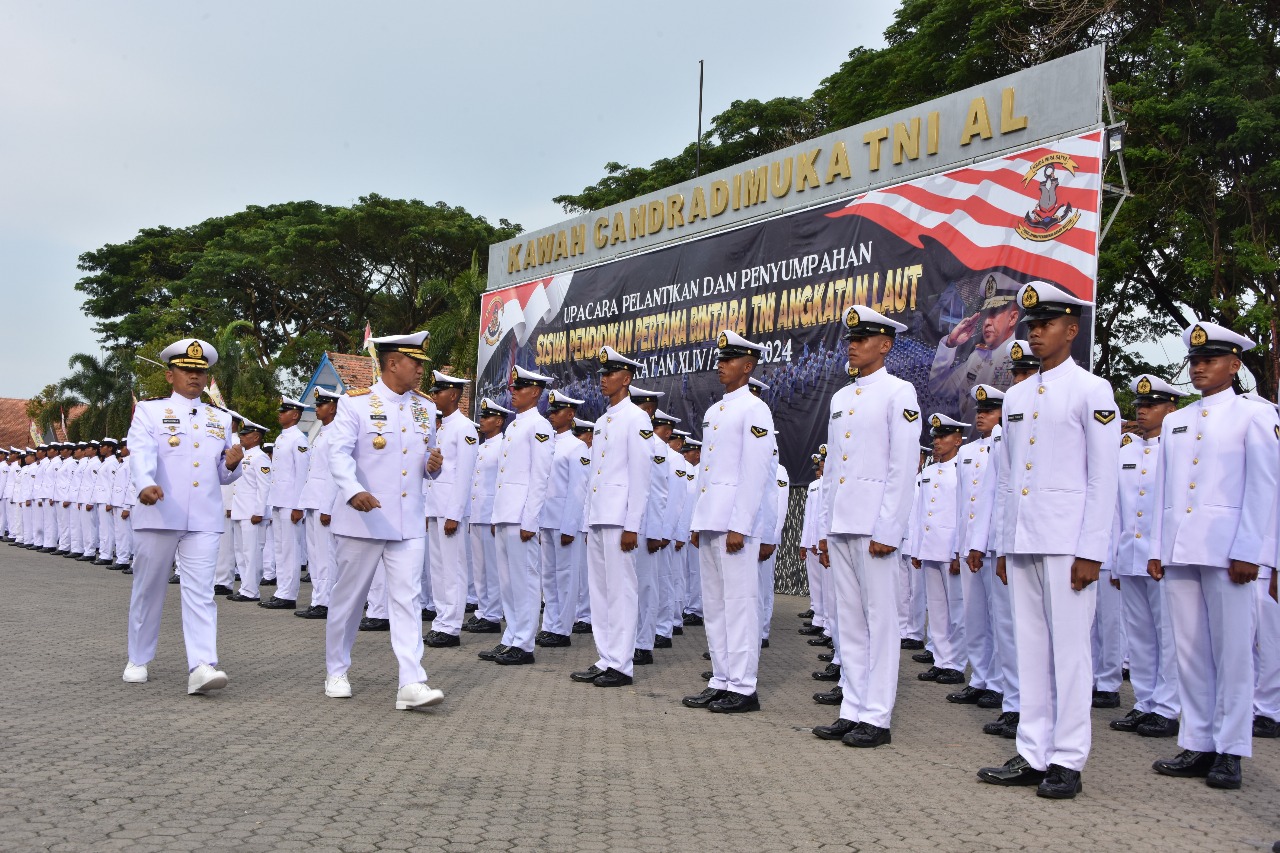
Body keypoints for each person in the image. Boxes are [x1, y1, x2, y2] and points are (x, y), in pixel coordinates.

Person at [978, 281, 1119, 799]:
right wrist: (1003, 543)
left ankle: (1068, 759)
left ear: (1072, 330)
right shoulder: (1015, 395)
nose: (1036, 333)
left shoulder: (1092, 390)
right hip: (1024, 540)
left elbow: (1104, 478)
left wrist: (1091, 550)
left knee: (1072, 652)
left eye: (1047, 325)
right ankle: (1033, 751)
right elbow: (1010, 478)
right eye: (1031, 326)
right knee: (1030, 648)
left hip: (1067, 543)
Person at [1148, 320, 1277, 789]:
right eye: (1195, 361)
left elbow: (1264, 487)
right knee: (1190, 651)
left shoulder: (1255, 414)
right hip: (1182, 550)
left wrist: (1250, 550)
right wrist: (1158, 548)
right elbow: (1163, 492)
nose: (1200, 368)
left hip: (1229, 553)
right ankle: (1198, 741)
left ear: (1234, 364)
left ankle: (1232, 750)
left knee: (1234, 652)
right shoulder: (1178, 421)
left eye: (1210, 360)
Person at [810, 307, 919, 746]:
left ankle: (876, 715)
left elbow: (902, 466)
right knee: (848, 620)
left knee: (881, 620)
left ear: (885, 345)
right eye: (850, 338)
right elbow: (834, 467)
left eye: (862, 338)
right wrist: (824, 526)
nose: (852, 345)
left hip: (874, 526)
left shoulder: (899, 392)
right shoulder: (841, 398)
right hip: (841, 524)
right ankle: (851, 707)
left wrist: (888, 529)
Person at [323, 331, 445, 710]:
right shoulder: (355, 405)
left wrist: (432, 468)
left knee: (407, 599)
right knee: (349, 597)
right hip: (364, 517)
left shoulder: (425, 408)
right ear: (393, 363)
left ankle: (411, 681)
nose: (421, 370)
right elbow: (338, 454)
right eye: (415, 362)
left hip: (407, 522)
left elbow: (421, 465)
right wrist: (351, 489)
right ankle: (336, 669)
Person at [122, 338, 245, 694]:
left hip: (203, 517)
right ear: (169, 375)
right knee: (149, 589)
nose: (195, 376)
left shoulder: (221, 418)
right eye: (187, 370)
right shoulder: (150, 411)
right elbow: (141, 453)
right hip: (159, 512)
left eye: (201, 371)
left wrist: (233, 465)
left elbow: (221, 472)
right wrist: (145, 483)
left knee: (201, 592)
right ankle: (138, 658)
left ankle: (202, 666)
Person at [682, 329, 777, 713]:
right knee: (716, 605)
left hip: (735, 524)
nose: (721, 366)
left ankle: (743, 685)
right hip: (710, 519)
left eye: (729, 360)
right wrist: (697, 519)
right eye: (720, 360)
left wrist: (741, 524)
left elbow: (755, 474)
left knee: (739, 604)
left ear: (748, 365)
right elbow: (707, 471)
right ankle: (721, 677)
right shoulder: (716, 410)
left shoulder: (755, 409)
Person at [570, 346, 653, 687]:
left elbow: (641, 476)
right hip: (600, 516)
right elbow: (596, 477)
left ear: (627, 378)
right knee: (600, 591)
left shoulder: (638, 419)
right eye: (601, 375)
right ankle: (606, 657)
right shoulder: (603, 421)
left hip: (620, 519)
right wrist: (588, 519)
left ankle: (622, 663)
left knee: (621, 591)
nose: (603, 380)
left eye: (610, 374)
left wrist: (632, 525)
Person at [1108, 374, 1181, 738]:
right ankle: (1144, 703)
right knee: (1139, 635)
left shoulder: (1179, 449)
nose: (1144, 411)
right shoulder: (1126, 452)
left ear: (1172, 408)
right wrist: (1114, 558)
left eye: (1152, 405)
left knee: (1167, 635)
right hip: (1131, 555)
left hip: (1164, 559)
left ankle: (1168, 708)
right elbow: (1117, 512)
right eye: (1140, 406)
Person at [481, 365, 555, 666]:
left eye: (519, 388)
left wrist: (530, 520)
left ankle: (524, 644)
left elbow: (540, 477)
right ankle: (511, 636)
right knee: (508, 581)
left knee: (524, 580)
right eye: (513, 388)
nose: (513, 392)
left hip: (521, 516)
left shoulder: (539, 426)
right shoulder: (513, 426)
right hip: (505, 513)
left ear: (535, 392)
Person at [911, 414, 968, 687]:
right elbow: (920, 513)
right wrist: (916, 548)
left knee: (956, 609)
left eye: (943, 437)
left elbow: (963, 513)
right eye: (935, 437)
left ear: (958, 439)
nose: (937, 442)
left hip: (950, 549)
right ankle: (940, 659)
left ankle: (956, 664)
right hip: (930, 546)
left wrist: (959, 551)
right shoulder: (929, 472)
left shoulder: (963, 468)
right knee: (936, 608)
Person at [423, 371, 479, 647]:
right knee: (438, 568)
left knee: (453, 568)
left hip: (450, 510)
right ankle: (441, 620)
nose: (434, 396)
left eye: (438, 392)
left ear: (453, 395)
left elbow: (464, 474)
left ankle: (451, 626)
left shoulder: (465, 427)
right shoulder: (441, 428)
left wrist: (454, 514)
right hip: (435, 507)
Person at [535, 390, 589, 648]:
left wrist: (570, 525)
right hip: (546, 519)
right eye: (551, 412)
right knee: (549, 576)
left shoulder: (577, 447)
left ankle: (562, 629)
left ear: (571, 414)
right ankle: (550, 625)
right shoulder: (549, 443)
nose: (553, 416)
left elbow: (578, 490)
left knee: (566, 577)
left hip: (564, 522)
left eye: (557, 412)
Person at [929, 272, 1019, 423]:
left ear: (1012, 318)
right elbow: (938, 387)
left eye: (994, 313)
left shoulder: (1021, 361)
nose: (987, 322)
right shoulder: (976, 358)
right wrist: (950, 344)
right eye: (986, 314)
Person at [464, 398, 511, 636]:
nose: (482, 421)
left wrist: (496, 516)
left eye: (487, 417)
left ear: (499, 421)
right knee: (479, 567)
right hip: (476, 513)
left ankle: (493, 614)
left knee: (493, 569)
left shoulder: (504, 446)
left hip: (491, 514)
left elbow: (503, 485)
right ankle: (483, 611)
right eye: (482, 417)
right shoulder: (480, 448)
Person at [262, 397, 311, 610]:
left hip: (291, 502)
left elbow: (302, 474)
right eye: (280, 411)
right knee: (280, 548)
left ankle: (289, 594)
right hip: (279, 500)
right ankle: (281, 590)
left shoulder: (298, 439)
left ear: (295, 415)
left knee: (290, 549)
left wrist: (299, 505)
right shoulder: (282, 438)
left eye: (284, 411)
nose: (279, 414)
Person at [296, 388, 341, 618]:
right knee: (315, 555)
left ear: (332, 407)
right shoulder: (322, 433)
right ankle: (318, 598)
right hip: (313, 500)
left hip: (324, 502)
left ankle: (327, 601)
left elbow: (335, 473)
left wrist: (327, 506)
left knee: (325, 555)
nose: (317, 408)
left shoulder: (336, 434)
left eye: (321, 404)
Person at [226, 421, 272, 602]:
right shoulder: (245, 456)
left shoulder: (260, 457)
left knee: (252, 552)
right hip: (241, 511)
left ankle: (251, 590)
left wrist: (259, 511)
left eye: (246, 434)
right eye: (242, 434)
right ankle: (245, 587)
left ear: (256, 437)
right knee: (241, 552)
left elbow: (264, 487)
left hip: (253, 513)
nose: (242, 437)